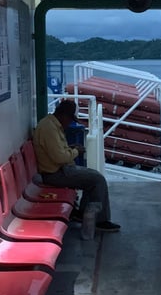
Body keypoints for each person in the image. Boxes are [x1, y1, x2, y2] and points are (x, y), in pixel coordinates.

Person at [33, 99, 120, 232]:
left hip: (59, 169)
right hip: (54, 174)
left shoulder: (51, 125)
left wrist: (70, 148)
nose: (70, 123)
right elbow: (60, 157)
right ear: (64, 115)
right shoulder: (49, 128)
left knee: (92, 176)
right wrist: (75, 151)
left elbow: (57, 150)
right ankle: (99, 220)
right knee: (97, 180)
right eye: (70, 119)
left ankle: (82, 213)